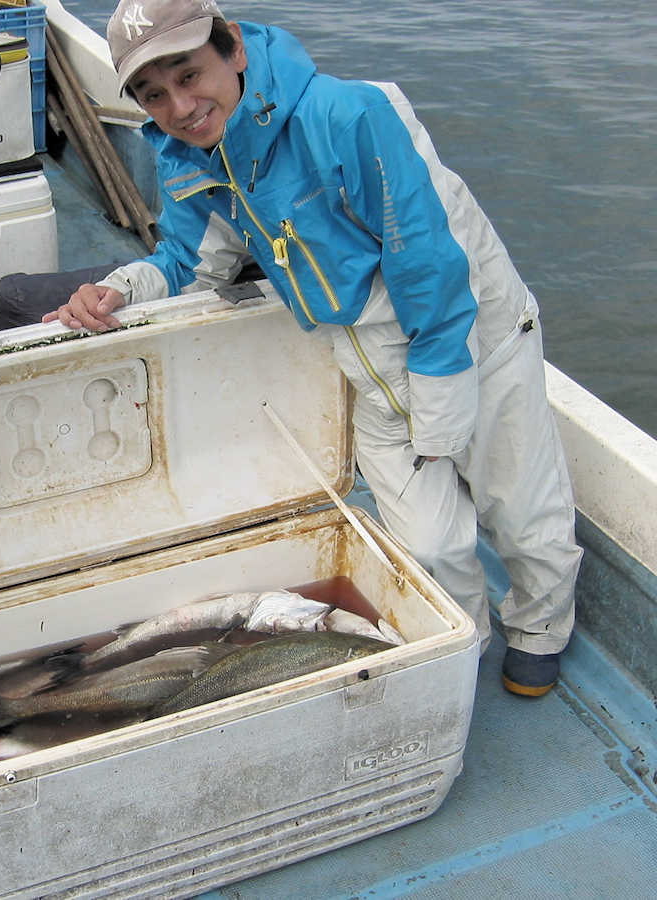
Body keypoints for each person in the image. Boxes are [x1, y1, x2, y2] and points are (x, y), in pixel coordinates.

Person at [43, 0, 581, 697]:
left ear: (234, 48)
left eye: (189, 74)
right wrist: (120, 288)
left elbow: (426, 260)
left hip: (473, 338)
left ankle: (541, 628)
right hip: (372, 371)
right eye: (153, 94)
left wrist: (442, 404)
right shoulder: (188, 162)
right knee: (427, 544)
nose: (180, 107)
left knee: (524, 514)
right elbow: (187, 261)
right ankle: (461, 648)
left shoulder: (349, 115)